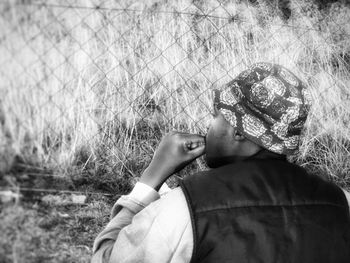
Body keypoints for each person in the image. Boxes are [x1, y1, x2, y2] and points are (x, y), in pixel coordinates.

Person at [91, 62, 350, 263]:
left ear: (238, 131)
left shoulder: (185, 210)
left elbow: (107, 257)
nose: (209, 125)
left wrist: (150, 179)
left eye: (216, 116)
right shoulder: (342, 203)